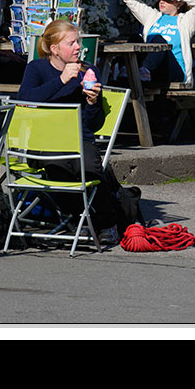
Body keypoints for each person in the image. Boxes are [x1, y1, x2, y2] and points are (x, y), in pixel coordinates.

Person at [17, 20, 123, 244]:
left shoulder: (89, 71)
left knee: (89, 167)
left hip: (79, 139)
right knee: (60, 165)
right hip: (44, 141)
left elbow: (94, 125)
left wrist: (93, 103)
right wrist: (62, 79)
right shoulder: (36, 69)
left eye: (78, 42)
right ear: (54, 48)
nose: (78, 47)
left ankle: (107, 223)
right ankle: (77, 221)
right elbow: (24, 101)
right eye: (71, 42)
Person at [123, 0, 195, 86]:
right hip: (153, 70)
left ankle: (145, 70)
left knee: (158, 39)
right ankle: (127, 70)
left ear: (179, 3)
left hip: (174, 71)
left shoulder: (186, 21)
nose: (162, 1)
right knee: (135, 39)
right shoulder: (151, 16)